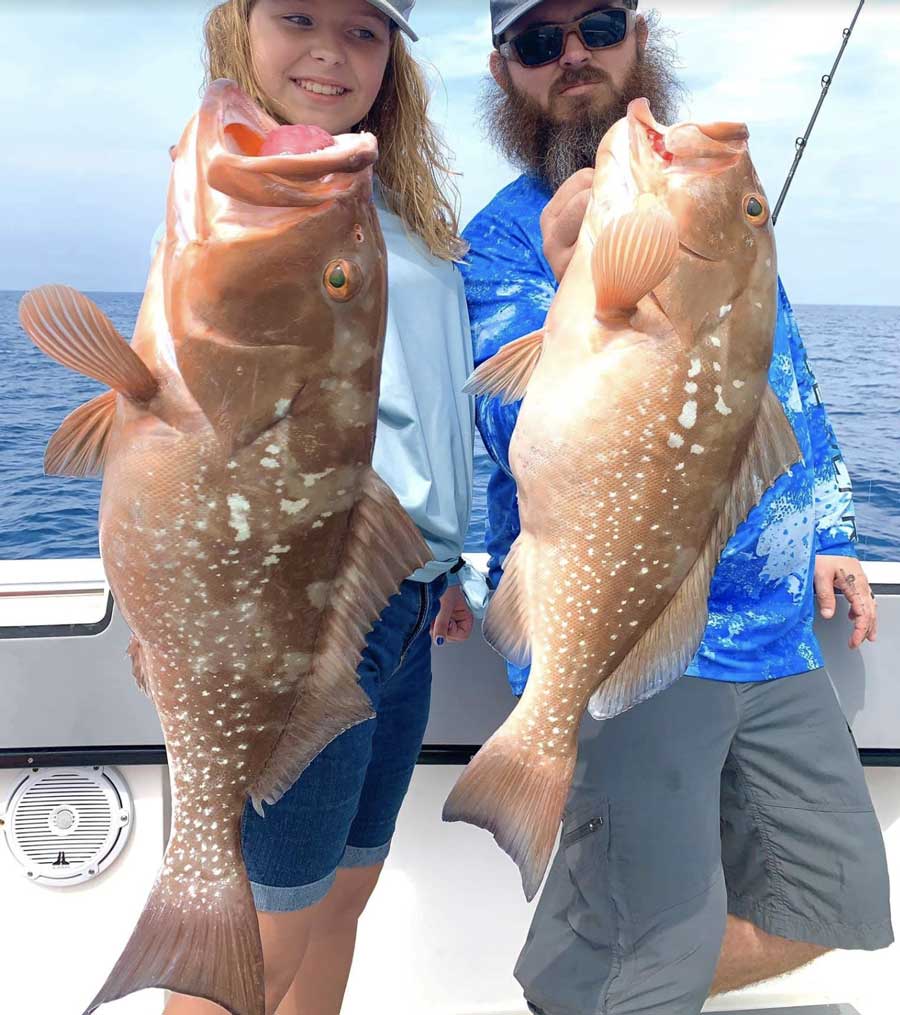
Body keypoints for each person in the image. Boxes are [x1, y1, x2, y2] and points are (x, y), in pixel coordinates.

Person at [461, 2, 893, 1013]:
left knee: (838, 902)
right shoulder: (501, 242)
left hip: (774, 629)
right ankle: (605, 987)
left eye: (598, 23)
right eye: (538, 41)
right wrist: (581, 279)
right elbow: (514, 424)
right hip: (627, 641)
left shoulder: (723, 228)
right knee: (655, 948)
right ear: (506, 72)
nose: (572, 54)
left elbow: (777, 379)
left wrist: (830, 526)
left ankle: (581, 991)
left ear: (638, 38)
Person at [165, 2, 475, 1013]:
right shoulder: (239, 191)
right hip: (301, 599)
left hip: (409, 601)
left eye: (365, 32)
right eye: (298, 16)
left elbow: (427, 398)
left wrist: (447, 562)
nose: (331, 52)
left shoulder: (406, 213)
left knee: (344, 895)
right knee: (253, 940)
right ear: (239, 30)